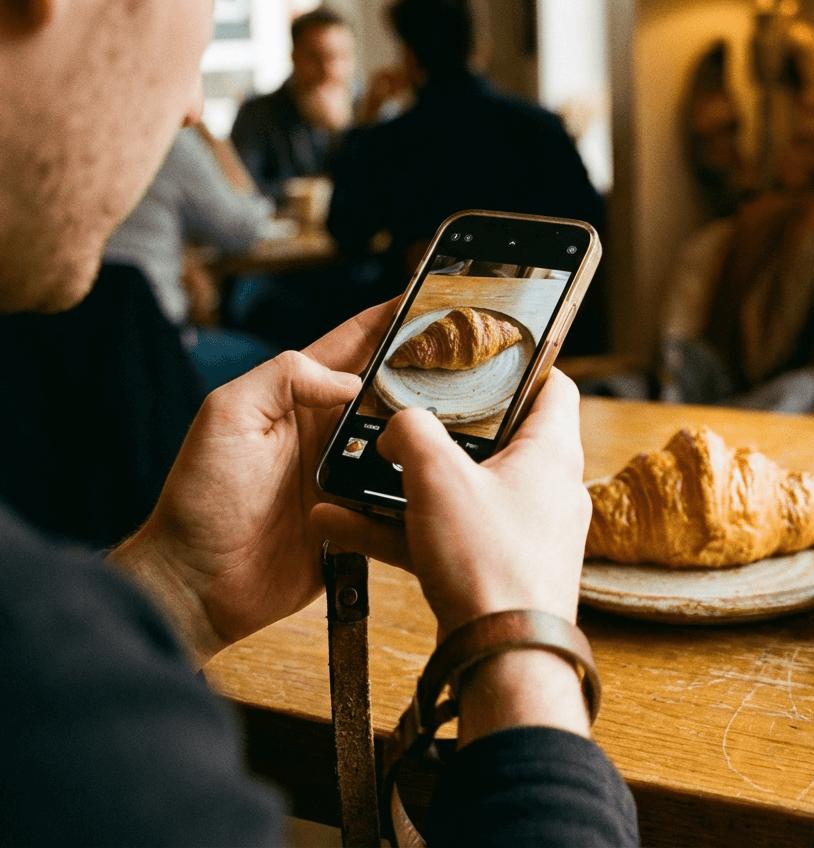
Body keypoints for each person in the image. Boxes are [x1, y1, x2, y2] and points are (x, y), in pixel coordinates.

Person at [0, 2, 638, 846]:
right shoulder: (78, 738)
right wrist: (521, 649)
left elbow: (343, 227)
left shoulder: (39, 674)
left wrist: (179, 583)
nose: (191, 107)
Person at [326, 0, 609, 352]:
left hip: (420, 325)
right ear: (480, 46)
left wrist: (362, 125)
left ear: (409, 56)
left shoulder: (391, 140)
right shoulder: (540, 126)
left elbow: (345, 230)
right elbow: (589, 221)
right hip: (533, 323)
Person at [104, 124, 277, 390]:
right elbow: (242, 230)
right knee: (278, 363)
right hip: (156, 348)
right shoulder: (168, 136)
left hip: (62, 350)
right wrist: (222, 150)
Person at [231, 6, 355, 205]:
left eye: (338, 56)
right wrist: (297, 193)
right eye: (315, 57)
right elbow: (241, 187)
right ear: (294, 57)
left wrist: (347, 132)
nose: (328, 70)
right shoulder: (257, 114)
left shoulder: (366, 111)